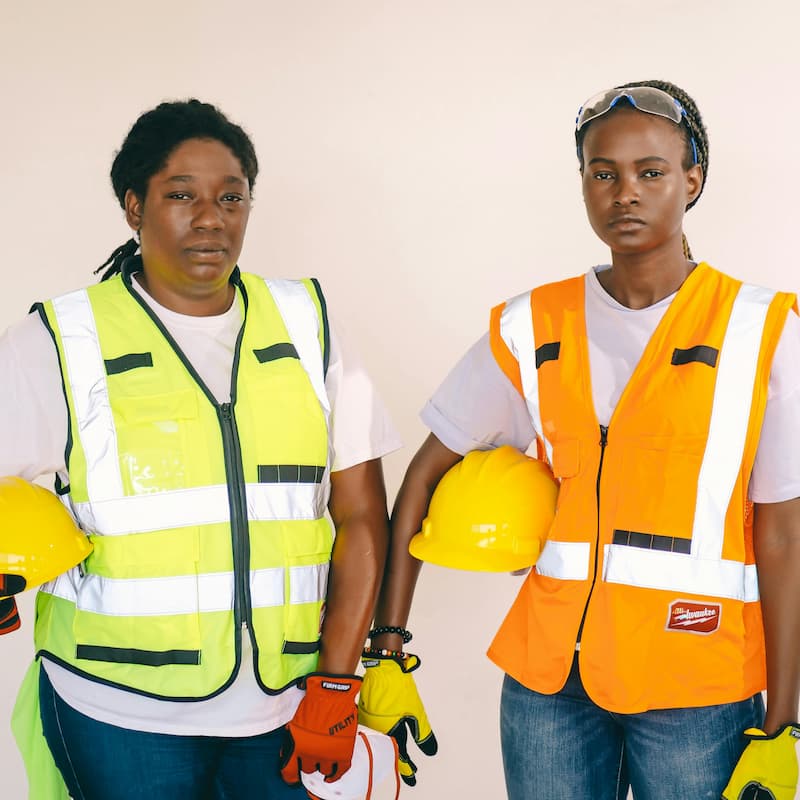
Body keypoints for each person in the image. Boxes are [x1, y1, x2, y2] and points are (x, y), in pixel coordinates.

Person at [370, 80, 800, 798]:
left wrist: (785, 722)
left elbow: (784, 536)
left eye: (651, 172)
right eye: (603, 173)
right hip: (549, 685)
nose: (624, 192)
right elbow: (421, 478)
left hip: (697, 688)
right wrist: (386, 651)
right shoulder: (532, 325)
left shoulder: (764, 334)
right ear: (583, 184)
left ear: (692, 180)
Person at [0, 98, 401, 799]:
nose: (210, 218)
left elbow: (363, 515)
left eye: (231, 197)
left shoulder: (310, 325)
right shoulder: (61, 340)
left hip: (285, 701)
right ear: (133, 206)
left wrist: (340, 679)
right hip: (116, 704)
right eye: (180, 195)